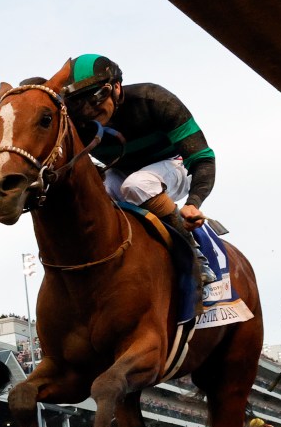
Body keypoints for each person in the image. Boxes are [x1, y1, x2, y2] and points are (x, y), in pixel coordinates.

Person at [59, 54, 217, 286]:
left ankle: (194, 257)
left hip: (174, 165)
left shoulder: (154, 99)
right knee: (96, 192)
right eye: (78, 103)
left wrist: (193, 202)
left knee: (137, 184)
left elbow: (203, 158)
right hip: (122, 171)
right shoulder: (78, 122)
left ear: (116, 87)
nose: (90, 110)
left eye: (97, 97)